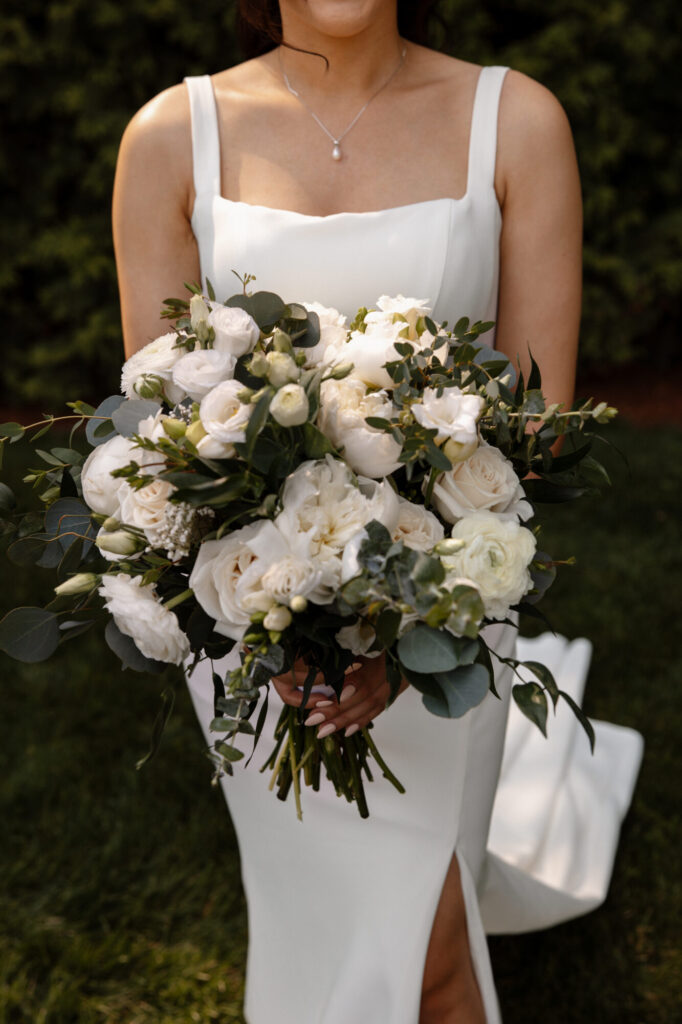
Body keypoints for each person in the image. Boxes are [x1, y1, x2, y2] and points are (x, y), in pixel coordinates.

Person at [112, 2, 643, 1021]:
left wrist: (410, 641)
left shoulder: (516, 120)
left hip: (448, 602)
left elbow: (536, 435)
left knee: (429, 954)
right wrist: (278, 623)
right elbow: (165, 436)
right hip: (250, 615)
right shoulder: (172, 136)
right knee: (325, 935)